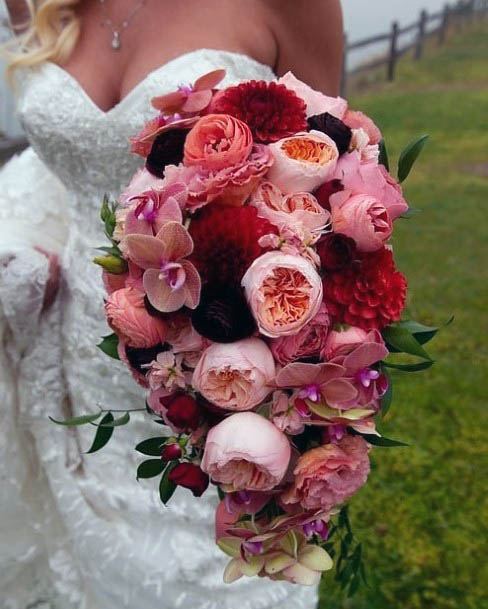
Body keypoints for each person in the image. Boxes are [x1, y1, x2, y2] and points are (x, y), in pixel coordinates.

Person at [0, 1, 343, 607]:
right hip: (72, 374)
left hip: (226, 373)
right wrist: (24, 244)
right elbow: (56, 168)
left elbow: (329, 186)